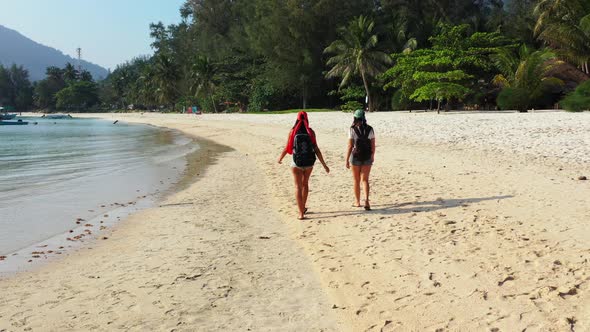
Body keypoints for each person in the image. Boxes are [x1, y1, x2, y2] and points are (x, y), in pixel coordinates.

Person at [278, 111, 330, 220]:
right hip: (309, 163)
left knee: (297, 186)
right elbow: (316, 149)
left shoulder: (292, 131)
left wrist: (280, 158)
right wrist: (324, 165)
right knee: (305, 184)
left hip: (296, 163)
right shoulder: (311, 132)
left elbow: (287, 147)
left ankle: (301, 213)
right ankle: (303, 207)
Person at [345, 109, 375, 210]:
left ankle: (357, 202)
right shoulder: (370, 129)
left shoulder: (352, 129)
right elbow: (373, 145)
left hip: (355, 157)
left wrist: (346, 159)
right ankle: (366, 200)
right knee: (365, 180)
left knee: (356, 180)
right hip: (367, 156)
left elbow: (350, 146)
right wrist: (372, 156)